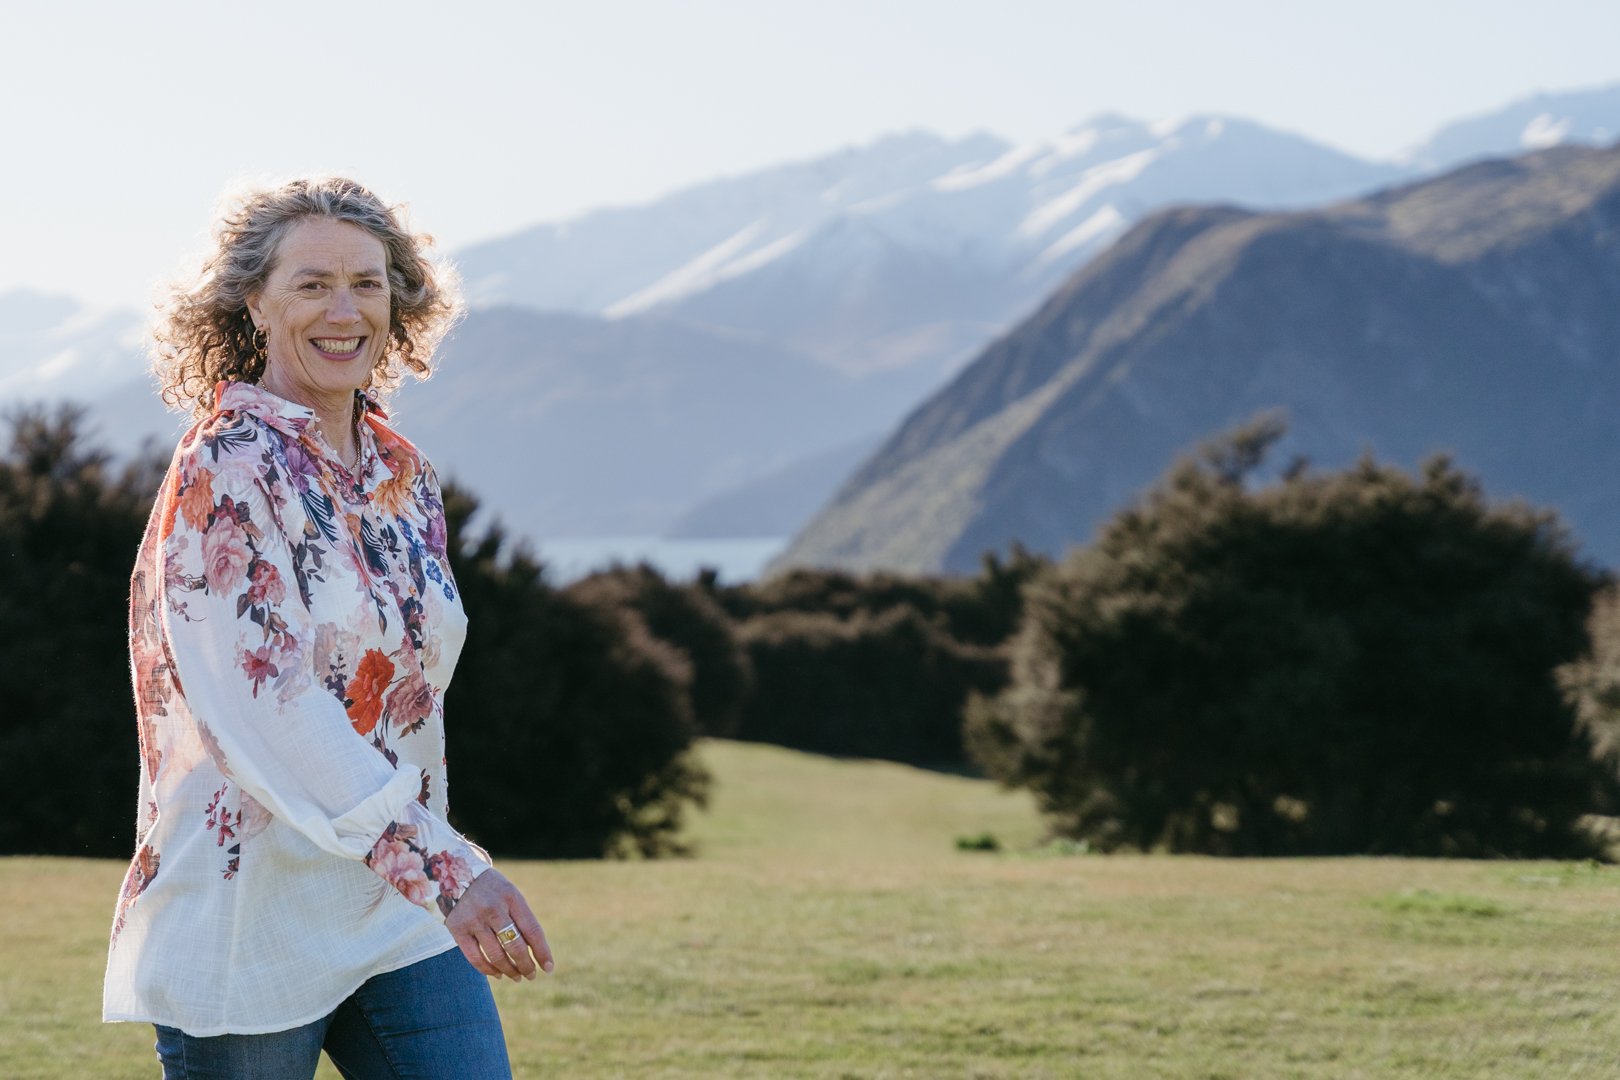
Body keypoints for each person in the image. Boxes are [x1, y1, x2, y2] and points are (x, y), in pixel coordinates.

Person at [103, 176, 551, 1079]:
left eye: (366, 284)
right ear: (254, 304)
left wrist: (421, 861)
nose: (345, 311)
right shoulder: (227, 465)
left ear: (397, 302)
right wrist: (446, 867)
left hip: (390, 905)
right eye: (312, 285)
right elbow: (274, 704)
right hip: (250, 912)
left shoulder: (402, 475)